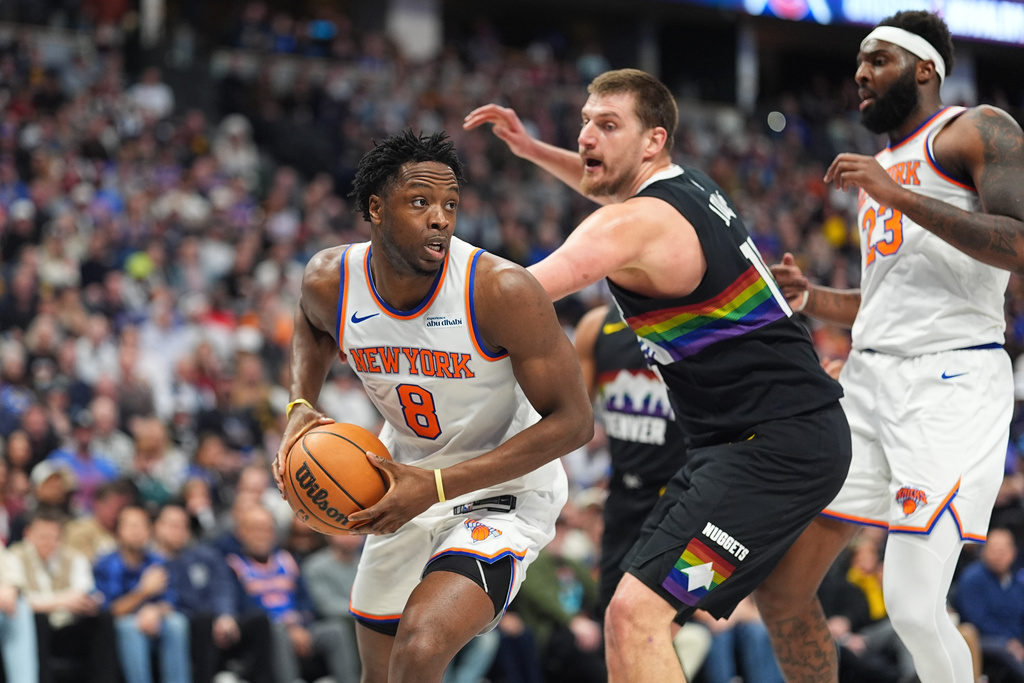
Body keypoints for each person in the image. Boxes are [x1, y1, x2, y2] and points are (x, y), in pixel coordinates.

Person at [464, 68, 850, 682]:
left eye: (607, 125)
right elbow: (607, 193)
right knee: (759, 606)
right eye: (586, 121)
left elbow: (522, 293)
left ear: (653, 141)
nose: (588, 135)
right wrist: (534, 149)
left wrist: (408, 303)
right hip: (762, 441)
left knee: (636, 616)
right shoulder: (685, 185)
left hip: (774, 450)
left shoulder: (634, 224)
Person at [271, 129, 593, 683]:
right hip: (401, 483)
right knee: (380, 673)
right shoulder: (332, 279)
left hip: (503, 492)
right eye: (420, 202)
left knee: (420, 646)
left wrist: (441, 487)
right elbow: (311, 324)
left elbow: (575, 422)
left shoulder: (499, 290)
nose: (441, 218)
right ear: (376, 208)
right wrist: (301, 404)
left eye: (450, 205)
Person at [766, 10, 1024, 683]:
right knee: (785, 589)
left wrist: (900, 195)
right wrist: (812, 297)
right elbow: (887, 303)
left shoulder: (976, 128)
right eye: (857, 65)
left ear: (925, 69)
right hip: (869, 381)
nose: (859, 75)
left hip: (949, 384)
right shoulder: (879, 168)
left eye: (877, 60)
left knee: (911, 605)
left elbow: (1022, 243)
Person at [572, 303, 710, 678]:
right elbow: (570, 415)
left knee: (650, 627)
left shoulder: (700, 322)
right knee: (613, 628)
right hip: (622, 498)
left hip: (683, 499)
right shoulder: (595, 326)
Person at [152, 503, 273, 683]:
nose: (178, 531)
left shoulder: (205, 556)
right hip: (188, 626)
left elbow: (224, 585)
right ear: (156, 527)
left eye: (183, 526)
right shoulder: (150, 563)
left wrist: (225, 614)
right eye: (172, 525)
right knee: (202, 620)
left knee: (259, 619)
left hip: (220, 623)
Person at [11, 507, 119, 683]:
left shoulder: (73, 558)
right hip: (33, 629)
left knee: (103, 617)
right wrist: (61, 600)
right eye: (42, 536)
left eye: (54, 536)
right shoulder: (16, 556)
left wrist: (85, 602)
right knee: (38, 618)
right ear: (28, 534)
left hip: (68, 625)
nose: (49, 542)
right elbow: (21, 602)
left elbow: (83, 594)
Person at [93, 505, 192, 683]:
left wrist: (155, 611)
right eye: (130, 526)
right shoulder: (105, 564)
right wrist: (144, 591)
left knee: (177, 623)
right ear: (118, 531)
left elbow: (171, 601)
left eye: (141, 526)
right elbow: (109, 611)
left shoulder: (158, 562)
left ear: (149, 531)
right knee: (130, 627)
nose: (136, 532)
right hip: (117, 630)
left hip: (154, 622)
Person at [954, 528, 1024, 681]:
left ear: (1013, 553)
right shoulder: (972, 578)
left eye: (1002, 551)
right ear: (984, 551)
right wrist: (1009, 640)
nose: (997, 556)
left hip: (1015, 638)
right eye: (992, 550)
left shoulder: (1017, 581)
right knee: (1004, 649)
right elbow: (977, 619)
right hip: (984, 639)